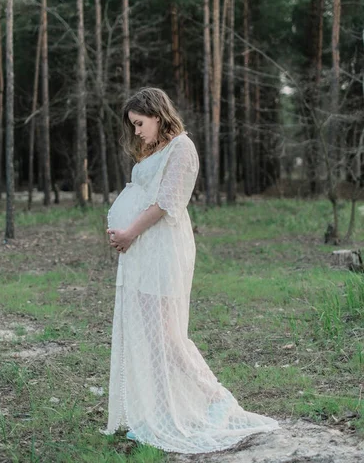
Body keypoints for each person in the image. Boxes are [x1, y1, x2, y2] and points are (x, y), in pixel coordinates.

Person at [102, 87, 278, 454]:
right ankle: (157, 412)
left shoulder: (182, 147)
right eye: (133, 125)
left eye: (139, 123)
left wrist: (130, 231)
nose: (136, 132)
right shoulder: (155, 150)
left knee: (167, 337)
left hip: (163, 251)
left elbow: (167, 203)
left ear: (157, 114)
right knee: (150, 337)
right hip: (142, 252)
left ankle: (217, 401)